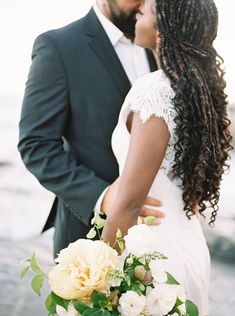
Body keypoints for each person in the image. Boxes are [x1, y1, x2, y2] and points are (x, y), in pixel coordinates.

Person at [101, 0, 232, 314]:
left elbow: (130, 203)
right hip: (189, 244)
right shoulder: (201, 92)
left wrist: (99, 278)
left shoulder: (155, 91)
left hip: (155, 256)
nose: (139, 10)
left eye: (147, 9)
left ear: (162, 29)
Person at [18, 0, 166, 258]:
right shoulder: (59, 47)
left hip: (162, 234)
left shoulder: (158, 43)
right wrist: (103, 196)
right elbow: (36, 144)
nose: (144, 3)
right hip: (88, 238)